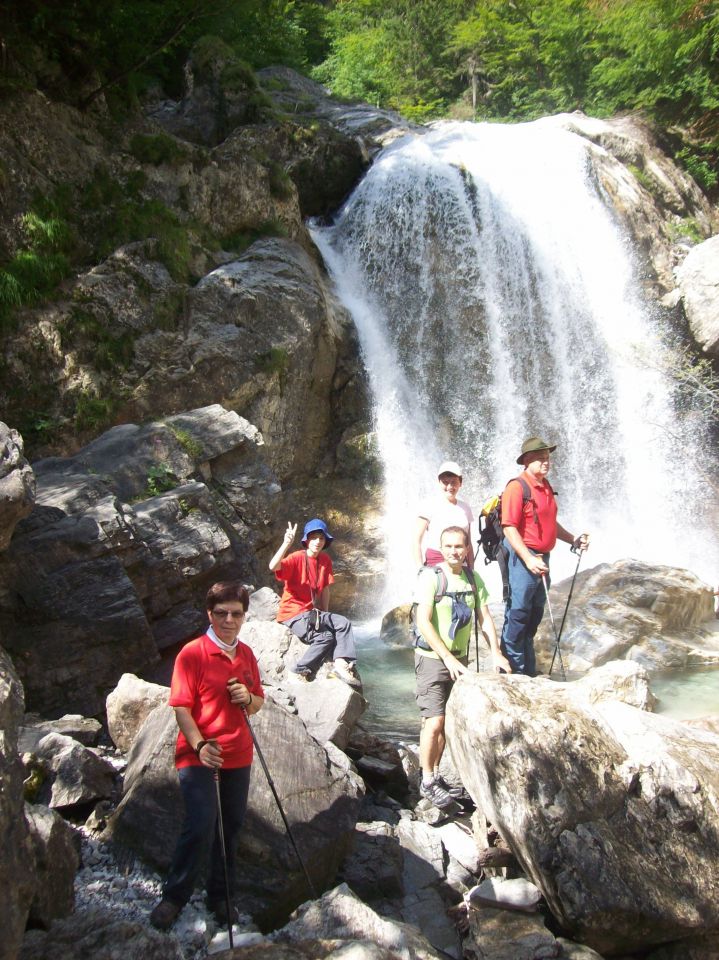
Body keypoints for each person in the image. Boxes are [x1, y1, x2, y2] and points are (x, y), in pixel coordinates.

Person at [150, 581, 264, 931]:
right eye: (221, 613)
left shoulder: (245, 654)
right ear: (209, 614)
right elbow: (181, 708)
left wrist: (247, 696)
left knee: (230, 828)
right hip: (199, 754)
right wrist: (200, 745)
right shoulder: (193, 653)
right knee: (200, 824)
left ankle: (221, 896)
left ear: (245, 616)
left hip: (238, 754)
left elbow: (258, 703)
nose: (228, 620)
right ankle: (175, 896)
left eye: (236, 614)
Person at [414, 525, 511, 809]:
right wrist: (446, 657)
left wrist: (496, 652)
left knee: (449, 721)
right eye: (449, 546)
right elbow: (423, 621)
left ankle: (435, 775)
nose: (455, 551)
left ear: (467, 549)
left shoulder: (472, 578)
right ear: (441, 549)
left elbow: (484, 618)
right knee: (434, 722)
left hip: (460, 660)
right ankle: (427, 779)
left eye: (460, 546)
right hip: (432, 658)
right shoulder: (431, 578)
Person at [500, 437, 589, 677]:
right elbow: (508, 527)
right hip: (523, 560)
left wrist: (573, 539)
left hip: (543, 559)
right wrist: (528, 559)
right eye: (540, 457)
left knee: (533, 615)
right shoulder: (517, 487)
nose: (546, 461)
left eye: (547, 457)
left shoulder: (545, 485)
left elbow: (550, 523)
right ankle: (512, 673)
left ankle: (527, 672)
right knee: (518, 614)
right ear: (526, 460)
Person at [269, 518, 361, 688]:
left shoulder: (325, 560)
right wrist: (285, 544)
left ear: (325, 541)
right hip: (293, 614)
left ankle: (340, 665)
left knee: (338, 627)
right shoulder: (296, 557)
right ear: (306, 540)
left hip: (311, 613)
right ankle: (298, 670)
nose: (318, 541)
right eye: (314, 537)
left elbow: (325, 589)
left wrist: (325, 615)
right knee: (331, 632)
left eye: (321, 538)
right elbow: (273, 566)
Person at [412, 460, 475, 570]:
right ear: (439, 482)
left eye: (454, 482)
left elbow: (468, 543)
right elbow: (416, 541)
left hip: (461, 565)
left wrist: (472, 570)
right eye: (445, 482)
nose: (450, 486)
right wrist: (420, 569)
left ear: (460, 483)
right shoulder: (428, 505)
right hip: (436, 566)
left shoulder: (465, 508)